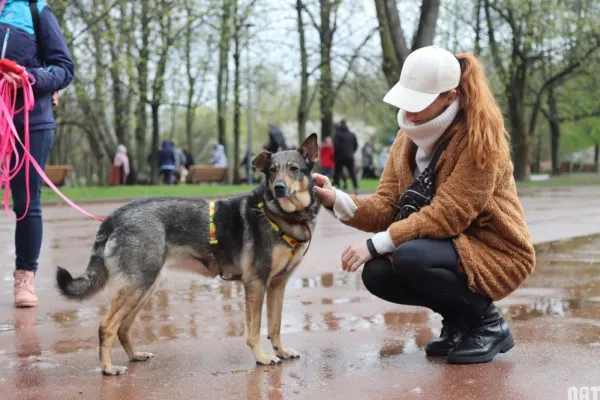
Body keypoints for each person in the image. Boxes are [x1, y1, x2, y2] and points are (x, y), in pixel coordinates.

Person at [313, 46, 535, 364]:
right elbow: (388, 204)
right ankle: (458, 320)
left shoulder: (480, 138)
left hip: (495, 250)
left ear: (449, 96)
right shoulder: (408, 137)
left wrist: (377, 243)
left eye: (419, 101)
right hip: (445, 245)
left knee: (409, 257)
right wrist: (339, 199)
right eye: (406, 98)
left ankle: (489, 324)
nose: (408, 111)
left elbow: (449, 214)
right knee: (376, 272)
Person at [1, 1, 75, 307]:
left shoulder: (35, 10)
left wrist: (29, 78)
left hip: (30, 119)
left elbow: (64, 68)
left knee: (26, 201)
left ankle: (25, 279)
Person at [332, 120, 359, 193]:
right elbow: (356, 145)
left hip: (340, 157)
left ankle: (336, 186)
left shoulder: (337, 134)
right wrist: (351, 152)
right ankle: (356, 187)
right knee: (352, 172)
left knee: (337, 172)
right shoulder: (351, 134)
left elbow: (335, 145)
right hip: (349, 156)